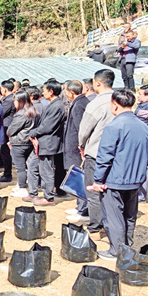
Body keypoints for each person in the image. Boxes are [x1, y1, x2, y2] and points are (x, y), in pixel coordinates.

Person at [89, 89, 148, 260]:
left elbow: (104, 156)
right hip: (136, 179)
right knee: (129, 215)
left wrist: (98, 180)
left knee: (114, 216)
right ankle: (126, 246)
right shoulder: (144, 126)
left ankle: (116, 250)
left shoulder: (114, 126)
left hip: (115, 180)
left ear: (115, 105)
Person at [78, 69, 115, 239]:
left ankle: (95, 227)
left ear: (97, 83)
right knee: (111, 192)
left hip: (96, 153)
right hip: (115, 154)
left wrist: (82, 145)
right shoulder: (119, 100)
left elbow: (84, 130)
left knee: (93, 191)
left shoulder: (96, 104)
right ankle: (110, 225)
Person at [25, 80, 66, 206]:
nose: (43, 93)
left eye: (44, 90)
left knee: (46, 170)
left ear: (51, 91)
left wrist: (33, 132)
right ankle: (33, 193)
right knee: (32, 165)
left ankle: (48, 197)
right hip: (42, 142)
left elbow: (47, 127)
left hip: (48, 143)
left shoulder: (56, 106)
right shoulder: (53, 105)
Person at [63, 80, 90, 222]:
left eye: (66, 91)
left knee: (80, 178)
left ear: (71, 92)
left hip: (77, 149)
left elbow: (81, 129)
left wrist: (81, 147)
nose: (65, 94)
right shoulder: (79, 102)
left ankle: (83, 210)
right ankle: (79, 206)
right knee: (76, 176)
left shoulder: (80, 105)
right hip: (74, 147)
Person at [7, 90, 39, 198]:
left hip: (19, 143)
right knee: (29, 167)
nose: (14, 103)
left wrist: (9, 133)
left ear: (20, 101)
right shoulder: (34, 111)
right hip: (29, 142)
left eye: (15, 101)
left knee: (20, 168)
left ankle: (22, 188)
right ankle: (23, 185)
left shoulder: (21, 114)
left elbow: (11, 130)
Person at [0, 80, 15, 182]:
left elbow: (0, 113)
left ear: (4, 89)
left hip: (6, 127)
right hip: (6, 127)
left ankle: (7, 174)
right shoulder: (9, 99)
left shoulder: (8, 100)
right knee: (3, 151)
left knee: (5, 151)